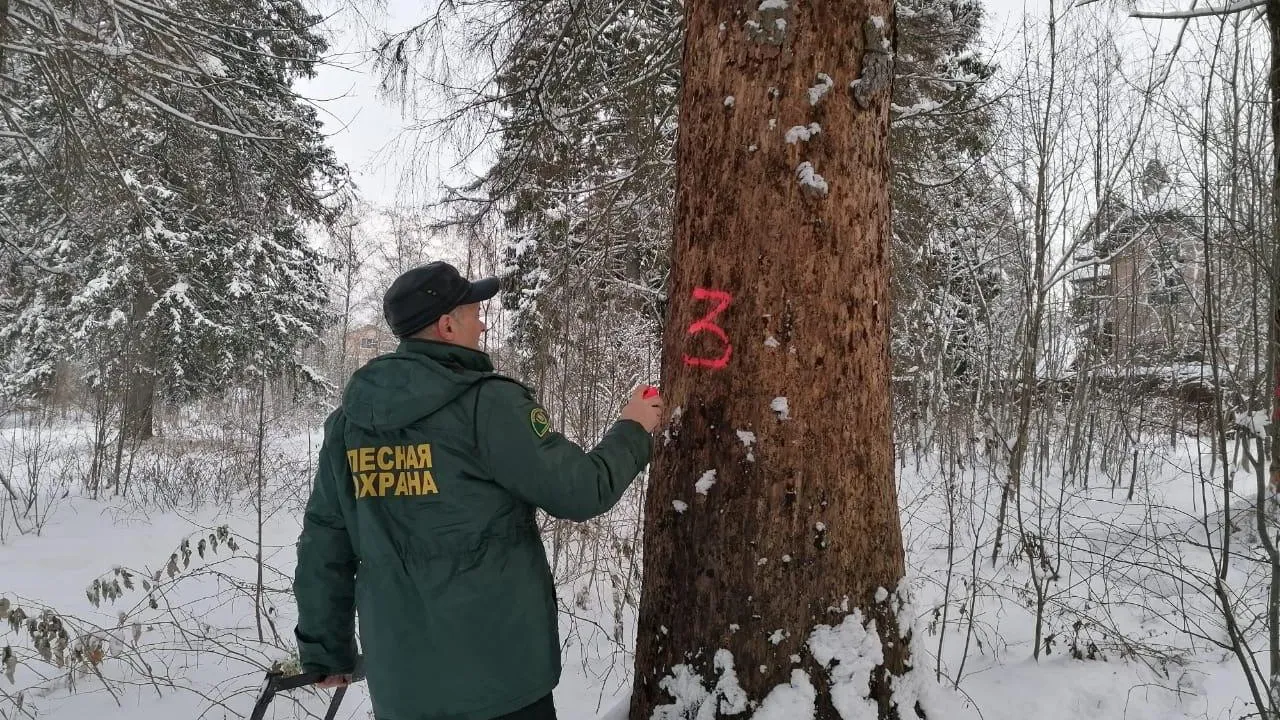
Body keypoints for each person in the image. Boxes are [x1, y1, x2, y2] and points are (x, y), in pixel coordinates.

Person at [291, 260, 662, 720]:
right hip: (501, 681)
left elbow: (325, 539)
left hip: (404, 689)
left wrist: (326, 650)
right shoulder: (487, 404)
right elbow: (582, 490)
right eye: (474, 314)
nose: (482, 325)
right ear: (447, 326)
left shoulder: (349, 424)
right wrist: (633, 428)